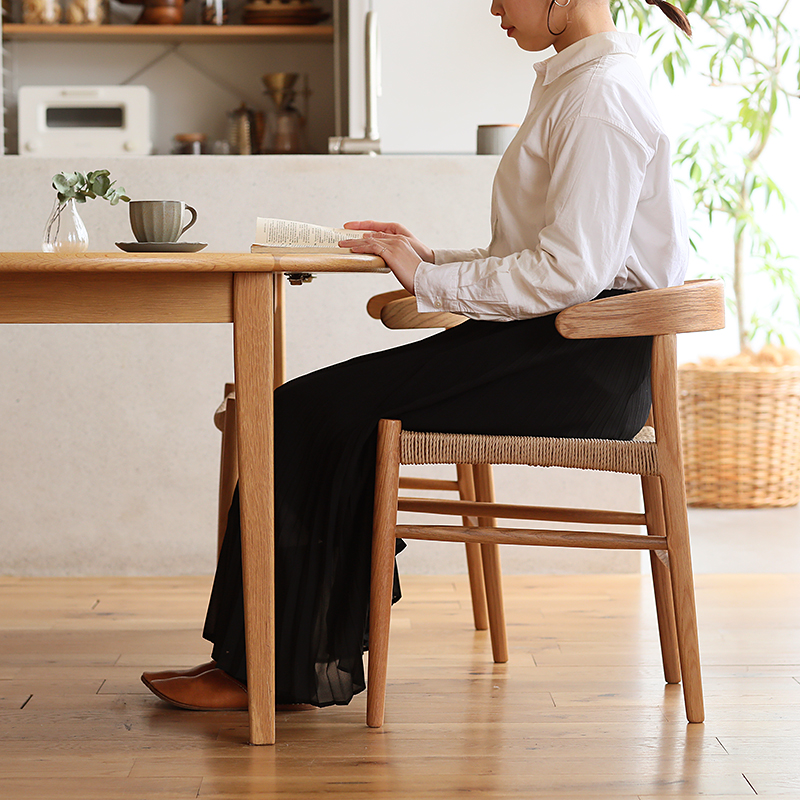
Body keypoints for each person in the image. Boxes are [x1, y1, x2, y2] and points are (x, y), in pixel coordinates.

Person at [142, 0, 692, 711]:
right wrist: (430, 257)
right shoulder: (577, 82)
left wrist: (430, 278)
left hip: (576, 361)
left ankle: (267, 670)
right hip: (552, 342)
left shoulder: (601, 95)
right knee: (311, 415)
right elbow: (552, 258)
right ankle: (277, 661)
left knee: (297, 415)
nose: (493, 5)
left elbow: (571, 274)